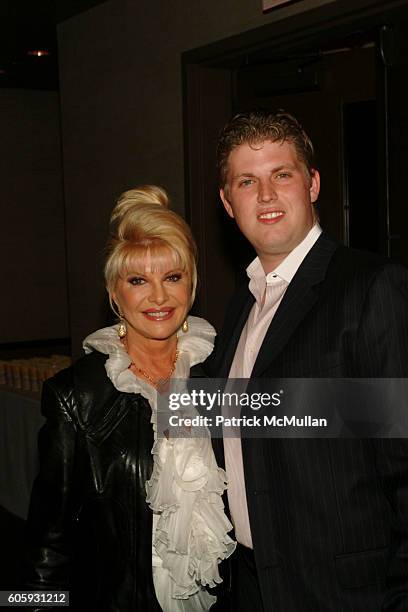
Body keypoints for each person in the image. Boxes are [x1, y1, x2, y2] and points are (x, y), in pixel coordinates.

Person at [207, 109, 408, 611]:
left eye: (282, 174)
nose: (267, 195)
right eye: (247, 182)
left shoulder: (371, 287)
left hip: (347, 594)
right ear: (228, 203)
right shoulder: (241, 305)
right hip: (253, 584)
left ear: (313, 184)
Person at [24, 185, 235, 611]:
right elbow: (48, 546)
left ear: (191, 281)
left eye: (173, 277)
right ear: (114, 291)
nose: (159, 297)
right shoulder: (76, 396)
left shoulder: (222, 372)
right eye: (138, 280)